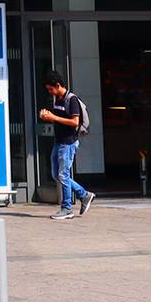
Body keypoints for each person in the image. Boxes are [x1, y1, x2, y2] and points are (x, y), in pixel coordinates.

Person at [39, 72, 94, 221]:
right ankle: (84, 195)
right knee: (56, 174)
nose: (50, 92)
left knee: (63, 175)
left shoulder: (72, 100)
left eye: (51, 89)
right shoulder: (57, 99)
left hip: (68, 142)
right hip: (59, 141)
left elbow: (75, 122)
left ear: (58, 85)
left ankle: (67, 208)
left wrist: (53, 117)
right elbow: (58, 120)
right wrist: (47, 117)